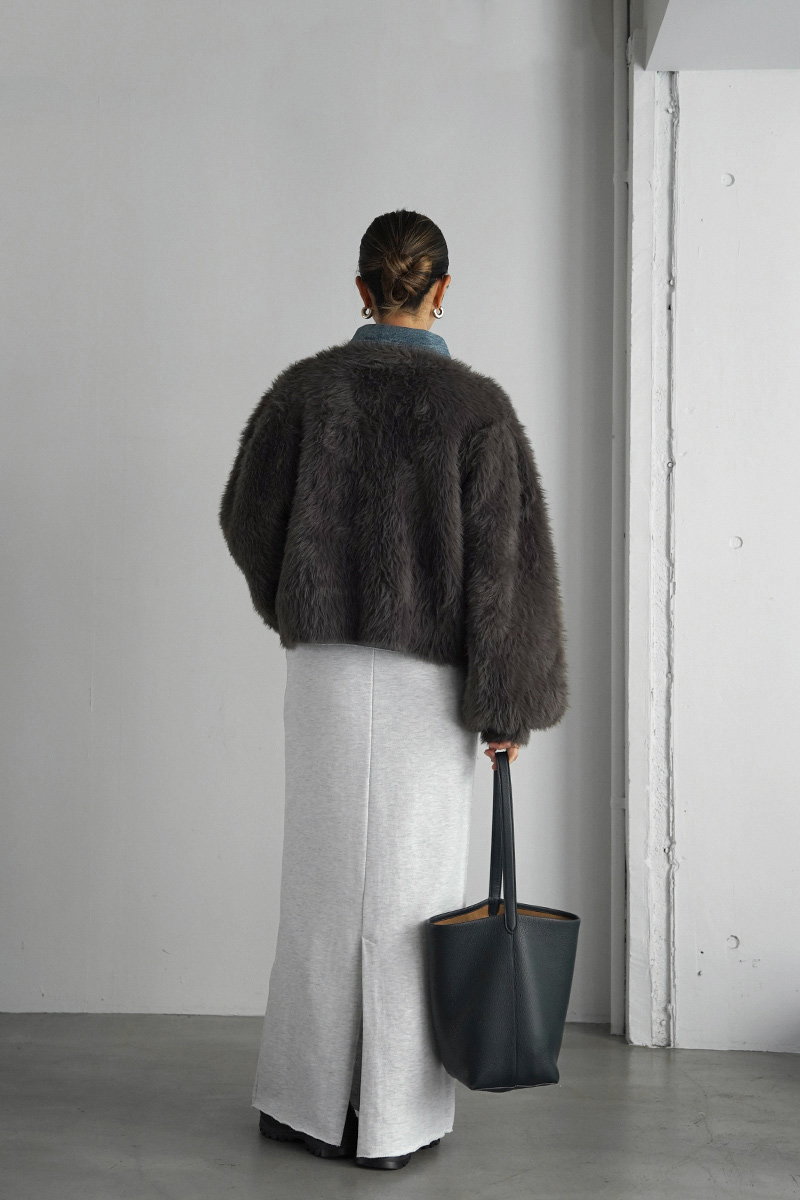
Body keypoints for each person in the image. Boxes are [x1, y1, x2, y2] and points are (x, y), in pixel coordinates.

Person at [218, 208, 568, 1170]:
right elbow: (505, 569)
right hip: (430, 684)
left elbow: (246, 519)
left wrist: (301, 597)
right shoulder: (477, 409)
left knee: (320, 886)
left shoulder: (306, 392)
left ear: (361, 287)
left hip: (326, 674)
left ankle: (304, 1104)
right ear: (441, 290)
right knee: (414, 895)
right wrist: (505, 704)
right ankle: (393, 1121)